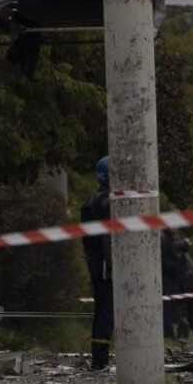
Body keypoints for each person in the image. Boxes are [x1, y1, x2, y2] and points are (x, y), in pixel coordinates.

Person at [80, 156, 114, 370]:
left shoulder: (92, 201)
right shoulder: (107, 203)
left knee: (104, 309)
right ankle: (100, 360)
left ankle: (100, 358)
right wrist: (112, 265)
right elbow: (109, 237)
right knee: (106, 311)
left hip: (97, 262)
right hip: (104, 265)